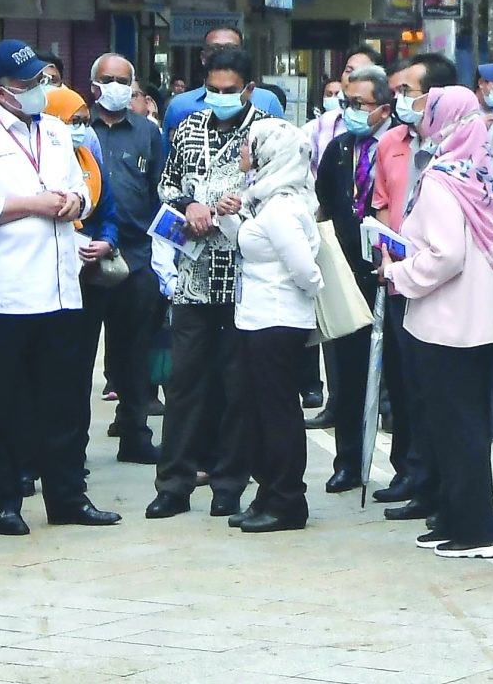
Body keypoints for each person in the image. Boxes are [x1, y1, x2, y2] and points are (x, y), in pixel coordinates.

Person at [0, 40, 116, 534]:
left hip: (61, 283)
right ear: (3, 91)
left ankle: (67, 496)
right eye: (30, 84)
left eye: (44, 79)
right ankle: (3, 501)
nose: (42, 90)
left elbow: (85, 187)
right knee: (3, 400)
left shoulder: (59, 132)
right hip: (5, 287)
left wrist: (72, 201)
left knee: (64, 397)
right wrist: (28, 204)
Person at [387, 90, 493, 557]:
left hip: (446, 320)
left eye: (428, 111)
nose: (421, 119)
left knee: (455, 427)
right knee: (466, 424)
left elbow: (446, 255)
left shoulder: (442, 179)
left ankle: (476, 532)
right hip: (481, 319)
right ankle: (459, 519)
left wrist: (398, 272)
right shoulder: (483, 171)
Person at [146, 45, 263, 519]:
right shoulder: (189, 127)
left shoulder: (268, 133)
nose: (218, 98)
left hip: (243, 275)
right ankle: (173, 484)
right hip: (193, 277)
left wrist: (233, 208)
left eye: (228, 91)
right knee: (184, 381)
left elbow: (283, 191)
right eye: (211, 90)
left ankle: (229, 484)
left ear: (249, 89)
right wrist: (189, 203)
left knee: (237, 384)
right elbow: (167, 183)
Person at [216, 117, 322, 534]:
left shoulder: (281, 207)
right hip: (257, 318)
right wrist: (230, 218)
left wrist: (308, 291)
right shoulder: (266, 199)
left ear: (269, 153)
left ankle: (286, 500)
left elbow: (305, 270)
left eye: (249, 145)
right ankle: (267, 494)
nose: (244, 152)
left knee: (277, 413)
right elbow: (248, 245)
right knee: (258, 411)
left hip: (277, 321)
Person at [314, 64, 393, 494]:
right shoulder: (339, 149)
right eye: (346, 103)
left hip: (387, 273)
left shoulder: (398, 146)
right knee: (345, 373)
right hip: (345, 273)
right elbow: (325, 203)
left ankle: (403, 465)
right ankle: (347, 461)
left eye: (359, 104)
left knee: (391, 376)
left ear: (383, 108)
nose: (350, 112)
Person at [84, 53, 167, 463]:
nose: (114, 86)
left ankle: (135, 434)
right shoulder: (77, 131)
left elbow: (159, 190)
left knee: (134, 355)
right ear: (93, 84)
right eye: (107, 79)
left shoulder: (148, 134)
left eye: (122, 80)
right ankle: (71, 446)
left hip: (136, 257)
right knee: (78, 356)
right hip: (85, 259)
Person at [370, 53, 442, 517]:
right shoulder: (390, 143)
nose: (400, 101)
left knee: (437, 387)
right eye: (397, 92)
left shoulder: (452, 146)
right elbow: (380, 204)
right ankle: (410, 472)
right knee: (405, 382)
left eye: (408, 92)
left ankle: (437, 480)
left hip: (440, 282)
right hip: (397, 279)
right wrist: (384, 252)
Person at [162, 26, 248, 136]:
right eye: (215, 49)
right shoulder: (179, 106)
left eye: (231, 48)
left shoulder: (267, 102)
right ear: (203, 57)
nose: (223, 55)